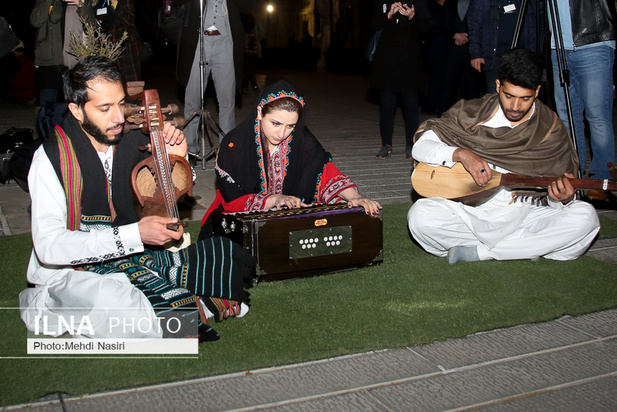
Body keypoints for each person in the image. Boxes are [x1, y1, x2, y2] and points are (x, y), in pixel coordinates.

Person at [19, 56, 254, 342]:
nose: (118, 117)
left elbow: (163, 201)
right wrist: (132, 235)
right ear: (77, 110)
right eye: (104, 108)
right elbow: (49, 247)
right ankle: (186, 309)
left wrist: (176, 160)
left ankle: (174, 308)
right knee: (109, 299)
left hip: (134, 256)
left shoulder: (132, 138)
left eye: (121, 104)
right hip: (74, 269)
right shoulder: (51, 158)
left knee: (223, 255)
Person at [408, 49, 600, 264]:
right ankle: (526, 247)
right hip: (473, 212)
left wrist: (560, 200)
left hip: (527, 213)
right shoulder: (471, 112)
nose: (515, 107)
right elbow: (421, 147)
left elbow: (560, 195)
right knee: (420, 216)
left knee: (586, 217)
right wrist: (460, 153)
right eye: (509, 96)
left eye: (525, 99)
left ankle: (480, 253)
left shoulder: (550, 128)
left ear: (537, 91)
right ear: (498, 85)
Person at [198, 80, 382, 239]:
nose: (281, 133)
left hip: (292, 209)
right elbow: (233, 199)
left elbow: (324, 172)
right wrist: (275, 200)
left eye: (290, 126)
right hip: (242, 213)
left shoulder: (300, 138)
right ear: (260, 112)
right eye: (275, 123)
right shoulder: (234, 146)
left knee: (342, 210)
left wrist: (356, 197)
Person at [174, 0, 255, 156]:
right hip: (199, 40)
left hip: (225, 42)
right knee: (192, 99)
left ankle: (227, 150)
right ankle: (190, 149)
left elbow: (248, 7)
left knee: (227, 100)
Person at [549, 0, 616, 186]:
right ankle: (573, 176)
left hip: (593, 43)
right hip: (559, 48)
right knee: (567, 119)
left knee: (597, 117)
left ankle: (601, 180)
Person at [369, 0, 431, 160]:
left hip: (410, 63)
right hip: (387, 63)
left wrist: (412, 16)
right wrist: (388, 15)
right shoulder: (384, 1)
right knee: (386, 105)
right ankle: (386, 145)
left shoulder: (419, 2)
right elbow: (374, 24)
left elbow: (427, 29)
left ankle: (412, 146)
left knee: (410, 106)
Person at [467, 0, 541, 93]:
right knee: (495, 96)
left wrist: (536, 51)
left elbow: (539, 22)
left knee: (520, 96)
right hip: (494, 56)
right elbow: (475, 23)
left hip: (523, 55)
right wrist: (476, 53)